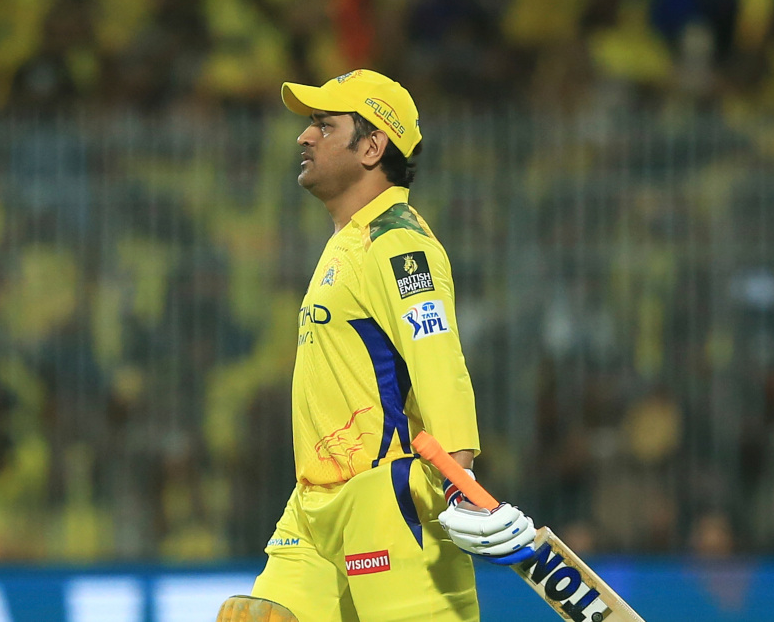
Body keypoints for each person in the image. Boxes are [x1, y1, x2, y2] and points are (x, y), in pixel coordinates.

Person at [217, 69, 536, 622]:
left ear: (371, 146)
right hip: (315, 506)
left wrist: (459, 483)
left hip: (387, 501)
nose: (304, 136)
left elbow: (438, 362)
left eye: (323, 124)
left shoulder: (398, 244)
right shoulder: (350, 241)